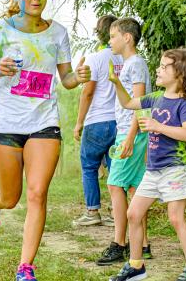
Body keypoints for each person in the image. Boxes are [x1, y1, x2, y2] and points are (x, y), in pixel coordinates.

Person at [0, 0, 91, 281]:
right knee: (11, 197)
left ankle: (25, 267)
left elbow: (64, 78)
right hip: (5, 125)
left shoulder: (57, 33)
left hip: (44, 122)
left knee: (38, 193)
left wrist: (76, 78)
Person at [108, 47, 186, 281]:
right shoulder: (154, 98)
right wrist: (116, 82)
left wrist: (157, 126)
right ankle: (135, 265)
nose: (158, 70)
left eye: (164, 67)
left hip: (174, 169)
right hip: (153, 171)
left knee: (176, 217)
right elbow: (128, 103)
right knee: (134, 213)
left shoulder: (184, 105)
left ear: (180, 74)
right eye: (159, 66)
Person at [96, 18, 153, 267]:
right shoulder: (129, 64)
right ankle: (143, 244)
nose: (110, 41)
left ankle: (119, 244)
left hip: (133, 133)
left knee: (114, 184)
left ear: (127, 37)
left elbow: (139, 103)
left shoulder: (136, 64)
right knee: (132, 188)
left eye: (113, 36)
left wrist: (130, 136)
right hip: (131, 132)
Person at [72, 15, 122, 227]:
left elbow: (88, 92)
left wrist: (79, 122)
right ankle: (115, 213)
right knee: (115, 169)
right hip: (119, 121)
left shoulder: (95, 58)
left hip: (97, 121)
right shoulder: (124, 59)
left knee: (89, 166)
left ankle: (93, 212)